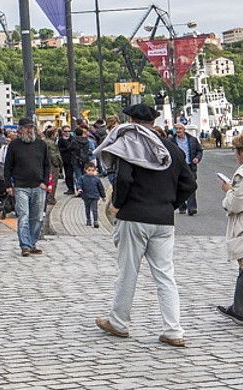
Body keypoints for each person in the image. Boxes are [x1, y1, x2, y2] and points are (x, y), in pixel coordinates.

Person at [93, 104, 197, 347]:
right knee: (165, 275)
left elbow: (124, 177)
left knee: (128, 271)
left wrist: (118, 204)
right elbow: (190, 184)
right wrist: (168, 205)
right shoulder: (171, 149)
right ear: (153, 122)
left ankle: (118, 322)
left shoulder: (130, 145)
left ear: (130, 120)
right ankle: (173, 330)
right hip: (163, 220)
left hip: (134, 216)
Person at [4, 119, 51, 256]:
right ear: (20, 129)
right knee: (23, 216)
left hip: (38, 186)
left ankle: (32, 243)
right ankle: (25, 245)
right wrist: (8, 185)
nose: (30, 130)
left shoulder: (41, 144)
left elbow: (46, 165)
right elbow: (8, 167)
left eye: (31, 127)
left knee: (37, 217)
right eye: (27, 128)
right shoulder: (14, 145)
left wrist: (45, 183)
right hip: (21, 186)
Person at [217, 133, 243, 323]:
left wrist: (228, 191)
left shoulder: (242, 174)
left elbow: (236, 204)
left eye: (235, 150)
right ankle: (238, 307)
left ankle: (239, 310)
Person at [172, 123, 204, 215]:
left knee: (191, 185)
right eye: (176, 129)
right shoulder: (171, 141)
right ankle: (182, 206)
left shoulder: (192, 140)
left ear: (184, 129)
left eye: (180, 128)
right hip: (178, 167)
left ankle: (192, 208)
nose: (178, 130)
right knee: (179, 186)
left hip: (190, 166)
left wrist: (197, 158)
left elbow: (199, 151)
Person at [76, 161, 106, 227]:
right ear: (85, 170)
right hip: (86, 196)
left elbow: (101, 188)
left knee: (94, 209)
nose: (91, 172)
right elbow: (79, 184)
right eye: (89, 170)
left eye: (92, 170)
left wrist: (103, 196)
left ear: (95, 170)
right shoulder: (82, 178)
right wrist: (79, 189)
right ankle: (88, 220)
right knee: (87, 209)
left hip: (94, 196)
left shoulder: (97, 179)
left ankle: (95, 221)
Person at [42, 126, 64, 204]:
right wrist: (58, 164)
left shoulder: (44, 141)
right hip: (52, 165)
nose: (57, 135)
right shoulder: (51, 143)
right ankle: (51, 198)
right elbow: (54, 155)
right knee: (53, 182)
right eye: (55, 134)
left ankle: (48, 197)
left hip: (46, 164)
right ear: (52, 134)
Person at [58, 126, 77, 193]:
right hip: (65, 159)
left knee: (71, 174)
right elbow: (60, 149)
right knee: (67, 174)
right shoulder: (60, 139)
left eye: (69, 131)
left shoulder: (73, 138)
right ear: (63, 132)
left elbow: (74, 148)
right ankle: (70, 188)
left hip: (72, 159)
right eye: (65, 131)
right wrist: (67, 148)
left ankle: (73, 188)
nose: (67, 133)